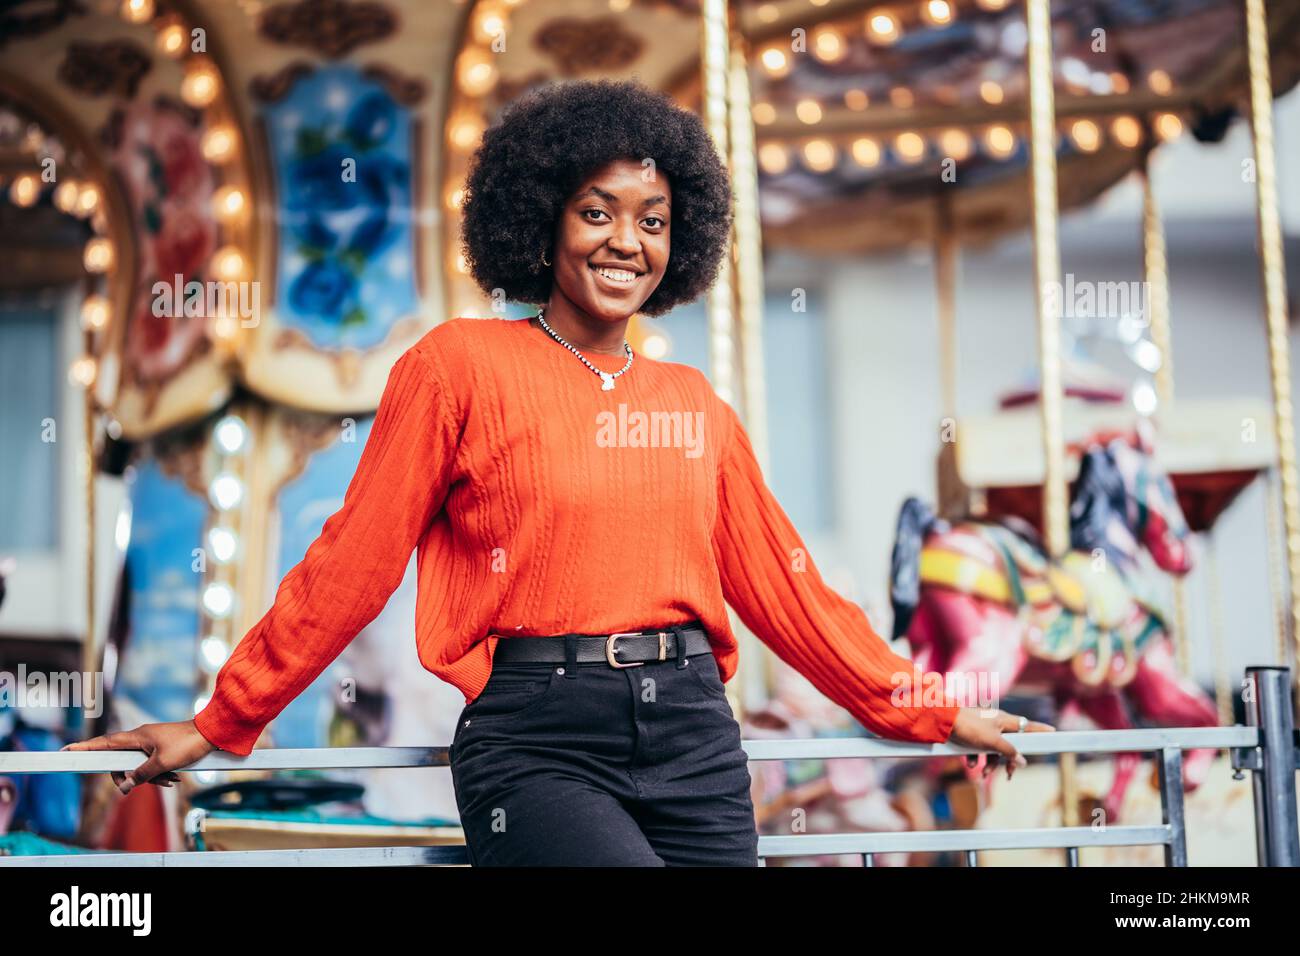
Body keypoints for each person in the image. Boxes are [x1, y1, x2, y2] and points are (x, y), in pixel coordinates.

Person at [66, 78, 1052, 866]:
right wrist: (220, 719)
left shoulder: (693, 406)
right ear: (541, 218)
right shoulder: (456, 367)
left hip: (695, 737)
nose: (628, 241)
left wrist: (927, 704)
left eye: (654, 219)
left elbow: (791, 593)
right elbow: (350, 564)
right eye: (598, 211)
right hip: (539, 741)